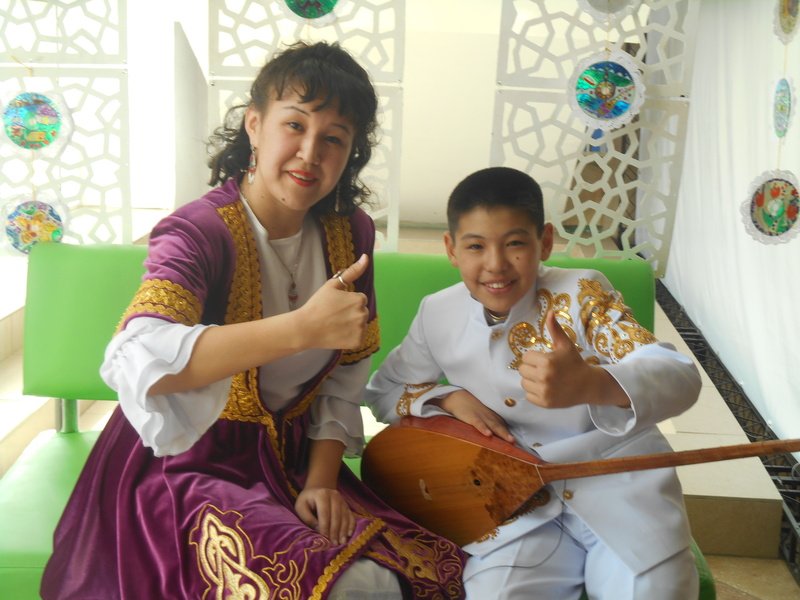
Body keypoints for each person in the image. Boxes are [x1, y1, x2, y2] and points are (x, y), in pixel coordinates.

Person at [41, 41, 465, 600]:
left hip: (295, 464)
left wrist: (321, 483)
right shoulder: (198, 233)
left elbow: (346, 373)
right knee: (348, 587)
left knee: (424, 575)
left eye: (334, 138)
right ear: (255, 125)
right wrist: (300, 329)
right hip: (184, 467)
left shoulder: (349, 232)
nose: (309, 153)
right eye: (295, 125)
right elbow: (136, 359)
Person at [365, 166, 702, 599]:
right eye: (475, 246)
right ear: (451, 249)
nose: (495, 265)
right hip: (511, 512)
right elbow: (384, 390)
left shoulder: (581, 293)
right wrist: (448, 398)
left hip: (619, 491)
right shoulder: (438, 313)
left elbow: (679, 375)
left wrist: (592, 383)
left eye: (515, 244)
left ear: (544, 241)